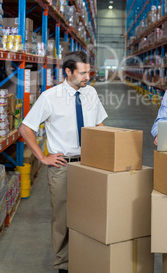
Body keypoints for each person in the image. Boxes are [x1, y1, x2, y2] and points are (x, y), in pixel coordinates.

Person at [19, 51, 108, 272]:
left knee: (91, 212)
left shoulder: (91, 93)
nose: (88, 76)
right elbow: (25, 128)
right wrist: (42, 157)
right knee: (62, 216)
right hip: (63, 165)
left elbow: (100, 126)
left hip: (90, 164)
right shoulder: (50, 97)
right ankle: (64, 264)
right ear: (68, 72)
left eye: (89, 71)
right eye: (83, 72)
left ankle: (87, 257)